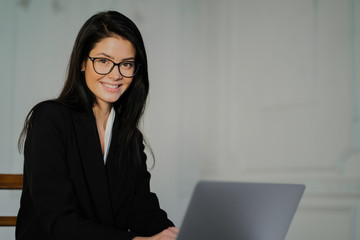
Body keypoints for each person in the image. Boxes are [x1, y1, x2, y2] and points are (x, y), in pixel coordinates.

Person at [16, 11, 178, 240]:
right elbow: (59, 221)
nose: (115, 74)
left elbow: (142, 209)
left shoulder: (129, 137)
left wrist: (173, 234)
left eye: (127, 64)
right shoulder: (50, 119)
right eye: (103, 61)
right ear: (82, 62)